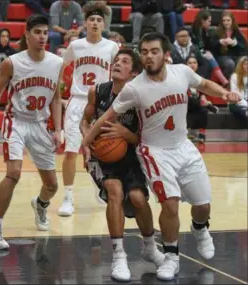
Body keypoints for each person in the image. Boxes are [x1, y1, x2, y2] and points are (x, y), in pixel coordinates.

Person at [82, 32, 241, 281]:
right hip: (153, 151)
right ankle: (171, 256)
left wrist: (225, 93)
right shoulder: (134, 88)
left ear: (165, 54)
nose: (148, 56)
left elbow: (204, 85)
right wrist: (85, 142)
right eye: (144, 52)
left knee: (203, 205)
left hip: (183, 147)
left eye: (154, 51)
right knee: (170, 203)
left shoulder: (182, 73)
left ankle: (200, 228)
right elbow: (105, 117)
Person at [0, 14, 64, 250]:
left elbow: (56, 98)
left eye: (45, 32)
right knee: (13, 173)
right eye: (37, 32)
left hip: (42, 124)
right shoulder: (12, 62)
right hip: (16, 121)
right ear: (27, 34)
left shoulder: (56, 63)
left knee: (53, 186)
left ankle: (41, 204)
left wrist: (59, 129)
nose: (42, 37)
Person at [80, 48, 165, 281]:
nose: (117, 63)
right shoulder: (97, 92)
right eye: (116, 60)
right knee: (115, 191)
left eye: (124, 61)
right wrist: (86, 146)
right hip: (102, 157)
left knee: (138, 199)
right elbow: (84, 122)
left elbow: (144, 139)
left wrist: (125, 134)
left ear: (134, 72)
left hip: (130, 155)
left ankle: (150, 248)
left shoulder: (141, 98)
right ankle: (119, 255)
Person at [58, 2, 119, 217]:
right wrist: (59, 93)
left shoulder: (112, 47)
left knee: (103, 150)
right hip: (77, 102)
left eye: (98, 20)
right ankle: (67, 197)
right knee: (71, 151)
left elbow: (120, 75)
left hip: (102, 103)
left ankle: (100, 186)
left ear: (103, 24)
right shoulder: (75, 46)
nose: (94, 23)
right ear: (85, 23)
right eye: (91, 20)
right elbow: (60, 69)